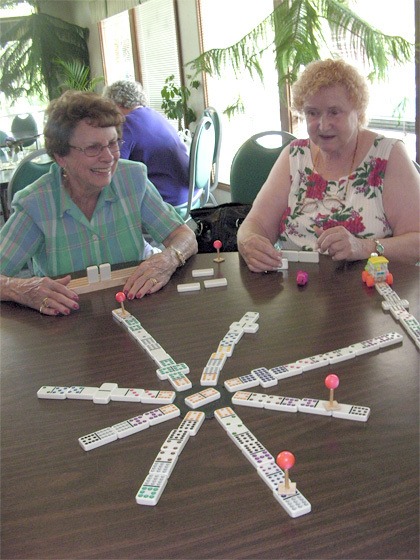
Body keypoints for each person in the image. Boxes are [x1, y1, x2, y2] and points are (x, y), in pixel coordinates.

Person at [0, 90, 197, 315]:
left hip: (138, 308)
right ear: (60, 157)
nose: (109, 157)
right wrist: (21, 288)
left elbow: (184, 236)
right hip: (69, 322)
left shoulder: (132, 178)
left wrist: (168, 259)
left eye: (113, 143)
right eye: (93, 148)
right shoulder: (36, 204)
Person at [237, 59, 420, 271]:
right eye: (312, 113)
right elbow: (255, 225)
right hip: (296, 290)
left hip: (370, 291)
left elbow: (417, 243)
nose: (323, 125)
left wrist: (364, 247)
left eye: (334, 112)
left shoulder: (388, 155)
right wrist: (249, 242)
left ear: (358, 111)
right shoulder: (295, 155)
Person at [103, 80, 190, 207]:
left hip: (167, 198)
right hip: (187, 191)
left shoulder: (128, 124)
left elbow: (115, 168)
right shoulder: (154, 114)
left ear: (116, 104)